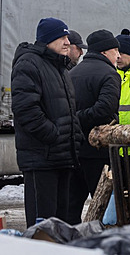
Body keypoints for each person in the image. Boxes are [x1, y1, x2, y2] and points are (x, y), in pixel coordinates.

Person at [11, 17, 83, 227]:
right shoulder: (29, 63)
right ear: (47, 40)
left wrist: (74, 136)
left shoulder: (60, 68)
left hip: (62, 158)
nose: (67, 42)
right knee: (42, 227)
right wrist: (53, 134)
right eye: (62, 37)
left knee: (59, 225)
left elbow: (68, 109)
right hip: (41, 159)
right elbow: (26, 109)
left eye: (67, 37)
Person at [68, 29, 121, 224]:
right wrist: (79, 118)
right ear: (105, 51)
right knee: (105, 209)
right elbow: (105, 110)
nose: (118, 55)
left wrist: (73, 119)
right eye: (116, 50)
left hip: (73, 149)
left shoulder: (72, 72)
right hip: (98, 152)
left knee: (71, 207)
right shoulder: (109, 74)